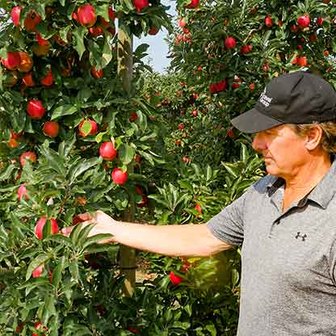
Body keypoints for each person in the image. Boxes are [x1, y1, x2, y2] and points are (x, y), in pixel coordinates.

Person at [66, 71, 336, 336]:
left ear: (312, 136)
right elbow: (205, 237)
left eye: (269, 132)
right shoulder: (263, 191)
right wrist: (112, 230)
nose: (256, 143)